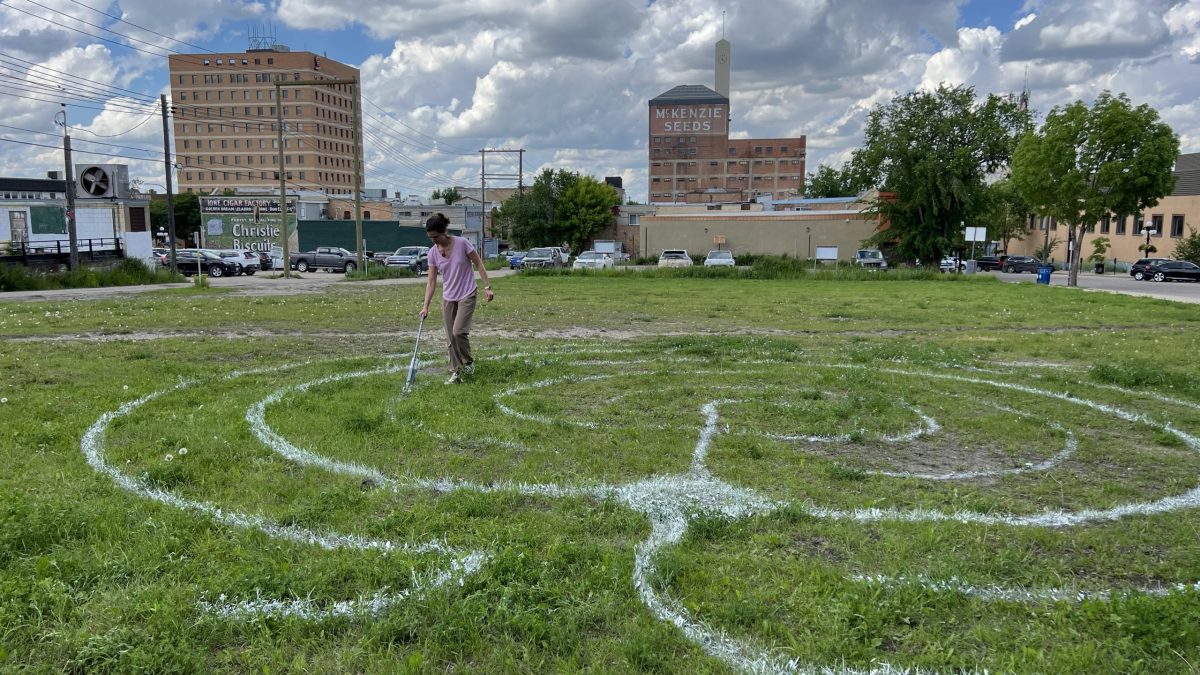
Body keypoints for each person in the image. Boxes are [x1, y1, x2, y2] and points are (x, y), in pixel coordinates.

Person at [419, 213, 494, 384]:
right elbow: (431, 282)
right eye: (431, 238)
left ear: (444, 231)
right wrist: (426, 306)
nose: (434, 241)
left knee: (458, 332)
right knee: (450, 338)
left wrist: (487, 287)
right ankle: (456, 371)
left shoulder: (462, 243)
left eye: (436, 237)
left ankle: (468, 363)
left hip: (467, 293)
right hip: (448, 297)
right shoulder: (432, 253)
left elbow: (479, 264)